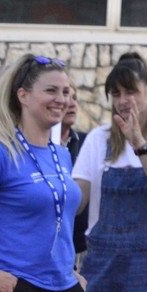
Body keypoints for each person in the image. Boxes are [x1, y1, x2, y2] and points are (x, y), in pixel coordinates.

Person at [73, 52, 147, 292]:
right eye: (115, 94)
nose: (123, 100)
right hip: (100, 260)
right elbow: (78, 197)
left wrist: (139, 143)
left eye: (131, 91)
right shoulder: (98, 139)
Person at [0, 54, 84, 292]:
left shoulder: (62, 155)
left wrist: (72, 275)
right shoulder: (0, 152)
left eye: (66, 91)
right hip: (14, 291)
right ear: (23, 96)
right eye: (51, 90)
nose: (62, 99)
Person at [61, 88, 88, 259]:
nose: (71, 104)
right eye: (65, 96)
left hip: (82, 246)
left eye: (75, 97)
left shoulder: (87, 142)